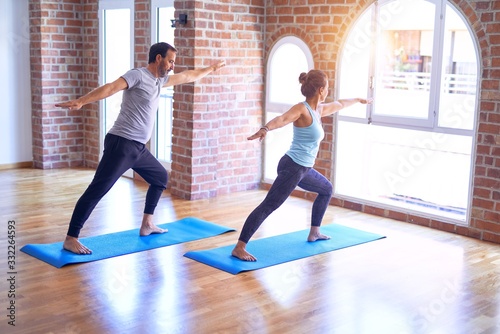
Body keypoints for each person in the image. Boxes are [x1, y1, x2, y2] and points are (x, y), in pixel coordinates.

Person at [56, 42, 225, 255]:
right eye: (170, 61)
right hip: (121, 144)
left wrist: (211, 69)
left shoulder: (159, 80)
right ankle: (71, 238)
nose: (173, 66)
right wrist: (82, 101)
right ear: (158, 58)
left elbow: (188, 76)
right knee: (98, 189)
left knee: (160, 177)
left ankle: (147, 224)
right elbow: (110, 88)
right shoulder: (137, 75)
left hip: (137, 148)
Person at [231, 69, 372, 261]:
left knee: (326, 189)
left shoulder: (319, 110)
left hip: (303, 169)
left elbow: (340, 104)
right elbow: (282, 119)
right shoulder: (302, 109)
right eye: (328, 87)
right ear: (321, 90)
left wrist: (357, 99)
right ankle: (240, 247)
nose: (329, 91)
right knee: (270, 204)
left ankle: (314, 232)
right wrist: (265, 129)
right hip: (293, 167)